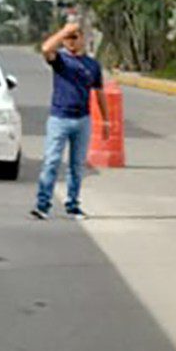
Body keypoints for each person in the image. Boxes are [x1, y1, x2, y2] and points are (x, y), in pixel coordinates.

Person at [34, 20, 101, 220]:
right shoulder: (60, 61)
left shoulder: (92, 65)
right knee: (52, 161)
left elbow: (99, 92)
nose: (70, 41)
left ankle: (73, 205)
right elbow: (46, 48)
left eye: (74, 37)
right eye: (67, 39)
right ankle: (42, 204)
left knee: (76, 166)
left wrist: (105, 121)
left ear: (82, 39)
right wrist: (64, 30)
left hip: (82, 119)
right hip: (59, 118)